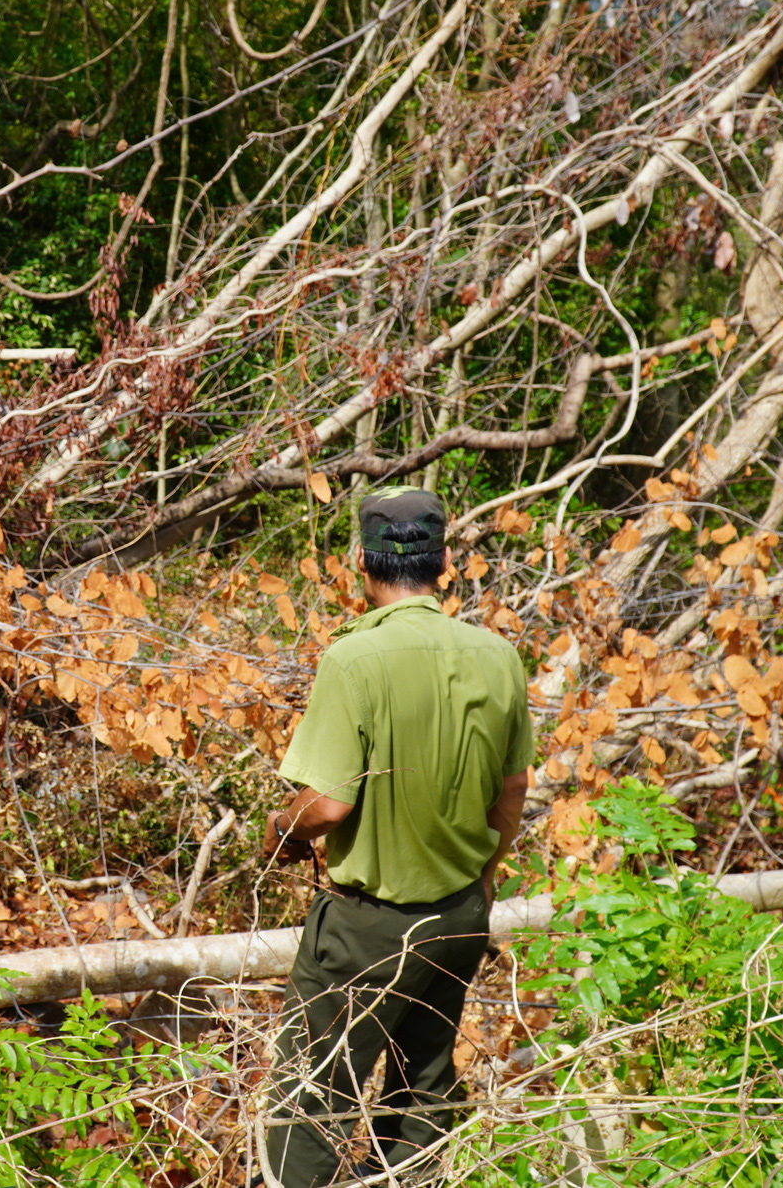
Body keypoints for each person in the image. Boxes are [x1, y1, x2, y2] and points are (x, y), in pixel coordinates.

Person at [259, 487, 533, 1188]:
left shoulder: (355, 661)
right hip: (459, 917)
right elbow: (512, 793)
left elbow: (327, 805)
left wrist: (277, 829)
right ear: (445, 562)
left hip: (367, 929)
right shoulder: (498, 656)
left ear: (360, 560)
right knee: (424, 1090)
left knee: (311, 1103)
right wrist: (484, 876)